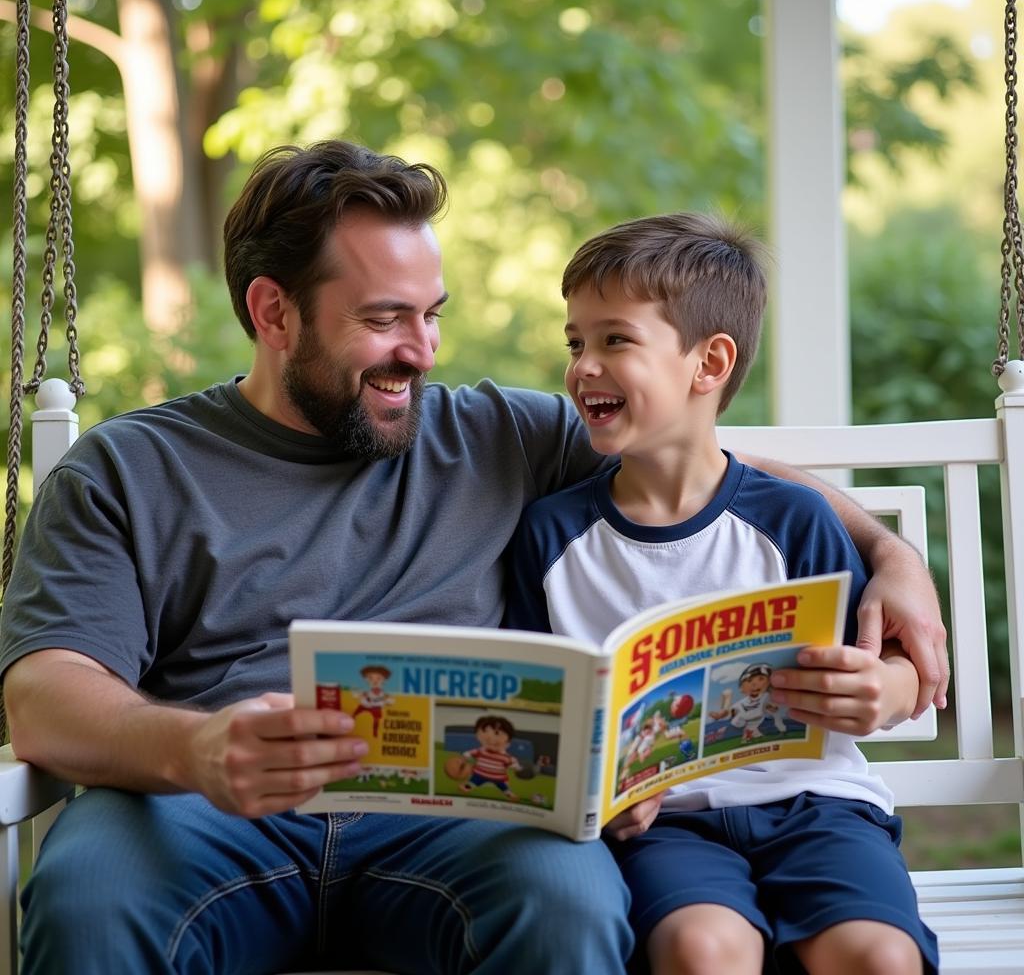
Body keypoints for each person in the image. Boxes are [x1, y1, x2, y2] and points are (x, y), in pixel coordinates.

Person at [0, 142, 943, 975]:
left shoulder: (492, 432)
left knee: (569, 902)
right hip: (202, 807)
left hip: (459, 814)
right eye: (384, 319)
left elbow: (706, 464)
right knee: (88, 901)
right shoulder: (129, 467)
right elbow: (44, 696)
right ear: (273, 312)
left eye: (432, 314)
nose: (422, 351)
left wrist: (888, 551)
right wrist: (197, 749)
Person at [504, 212, 939, 975]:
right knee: (702, 951)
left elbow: (887, 672)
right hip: (664, 824)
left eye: (615, 339)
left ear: (708, 364)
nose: (582, 366)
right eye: (576, 342)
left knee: (879, 957)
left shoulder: (792, 520)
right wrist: (592, 788)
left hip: (819, 805)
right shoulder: (551, 535)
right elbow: (540, 714)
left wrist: (889, 689)